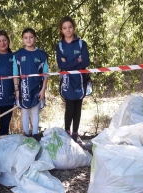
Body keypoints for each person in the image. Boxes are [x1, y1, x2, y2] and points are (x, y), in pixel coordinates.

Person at [56, 16, 90, 144]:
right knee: (69, 107)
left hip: (80, 80)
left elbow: (86, 61)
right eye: (65, 28)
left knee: (78, 107)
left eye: (70, 27)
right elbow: (61, 65)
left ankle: (75, 134)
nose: (68, 30)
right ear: (61, 30)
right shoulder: (60, 46)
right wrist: (77, 60)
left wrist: (69, 62)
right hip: (67, 81)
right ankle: (66, 132)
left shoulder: (81, 43)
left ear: (74, 27)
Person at [13, 28, 48, 141]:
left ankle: (35, 134)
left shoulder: (42, 54)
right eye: (25, 37)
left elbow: (45, 74)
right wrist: (17, 89)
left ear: (35, 38)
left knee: (35, 112)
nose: (28, 40)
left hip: (37, 88)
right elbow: (15, 73)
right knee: (25, 112)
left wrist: (43, 90)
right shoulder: (18, 54)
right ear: (22, 39)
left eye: (31, 37)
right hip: (23, 89)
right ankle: (26, 134)